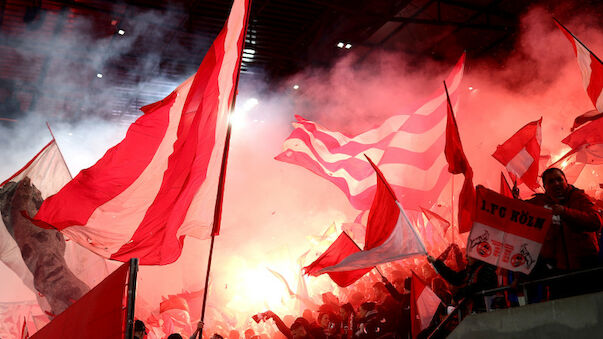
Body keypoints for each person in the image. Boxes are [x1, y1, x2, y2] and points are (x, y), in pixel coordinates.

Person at [528, 168, 603, 272]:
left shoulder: (579, 198)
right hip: (557, 268)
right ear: (545, 187)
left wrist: (565, 212)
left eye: (559, 179)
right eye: (551, 181)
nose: (556, 184)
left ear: (566, 181)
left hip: (586, 264)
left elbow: (596, 221)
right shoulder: (539, 203)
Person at [427, 253, 497, 313]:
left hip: (486, 312)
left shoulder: (487, 269)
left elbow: (477, 287)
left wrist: (458, 296)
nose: (466, 257)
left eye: (468, 254)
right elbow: (454, 277)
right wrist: (436, 262)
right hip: (478, 312)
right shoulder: (471, 269)